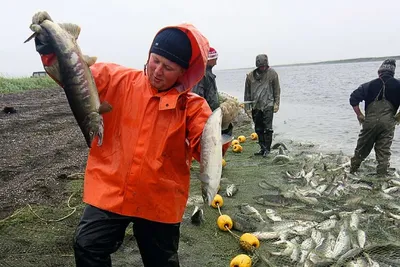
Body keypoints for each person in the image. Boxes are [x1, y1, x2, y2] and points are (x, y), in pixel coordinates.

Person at [32, 13, 238, 266]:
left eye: (168, 67)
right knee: (86, 246)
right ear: (149, 55)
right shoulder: (116, 79)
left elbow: (203, 151)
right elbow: (72, 76)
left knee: (161, 262)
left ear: (183, 72)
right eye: (155, 61)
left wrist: (224, 125)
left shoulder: (193, 107)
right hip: (110, 189)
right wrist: (48, 46)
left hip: (160, 200)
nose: (158, 71)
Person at [349, 59, 400, 175]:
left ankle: (353, 170)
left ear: (379, 72)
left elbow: (353, 99)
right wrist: (398, 116)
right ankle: (381, 175)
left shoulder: (368, 85)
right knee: (383, 151)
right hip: (388, 122)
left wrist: (360, 115)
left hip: (370, 121)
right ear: (392, 73)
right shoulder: (398, 84)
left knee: (362, 147)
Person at [192, 47, 232, 156]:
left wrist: (221, 100)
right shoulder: (202, 74)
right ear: (209, 59)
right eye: (215, 58)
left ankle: (216, 160)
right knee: (211, 140)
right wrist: (204, 114)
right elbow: (198, 96)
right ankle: (212, 163)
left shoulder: (208, 73)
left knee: (220, 136)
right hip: (207, 115)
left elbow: (211, 93)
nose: (217, 61)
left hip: (212, 113)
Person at [244, 54, 281, 157]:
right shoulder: (250, 76)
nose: (263, 68)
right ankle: (262, 148)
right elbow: (247, 93)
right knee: (258, 128)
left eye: (264, 66)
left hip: (268, 104)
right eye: (261, 67)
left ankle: (267, 150)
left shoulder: (272, 74)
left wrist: (277, 103)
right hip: (256, 105)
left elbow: (277, 90)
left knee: (268, 128)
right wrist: (247, 108)